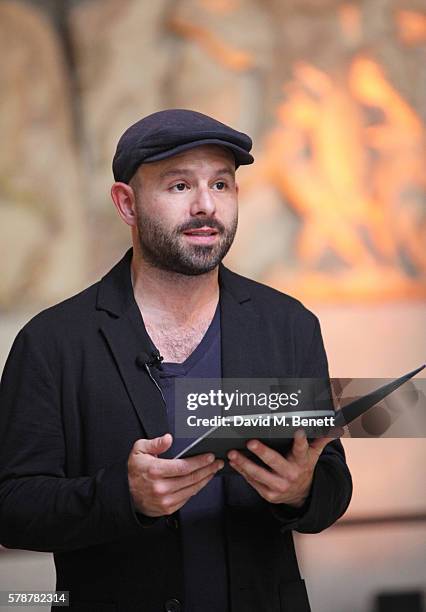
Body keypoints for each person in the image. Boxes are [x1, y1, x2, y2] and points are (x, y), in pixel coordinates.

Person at [0, 109, 352, 612]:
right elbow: (12, 506)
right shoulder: (52, 343)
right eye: (180, 186)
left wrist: (301, 490)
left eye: (222, 185)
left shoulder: (288, 325)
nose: (207, 206)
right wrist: (122, 497)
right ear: (127, 204)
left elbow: (333, 481)